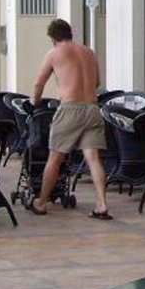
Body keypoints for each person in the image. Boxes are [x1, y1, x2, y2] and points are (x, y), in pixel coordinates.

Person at [30, 18, 110, 219]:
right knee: (93, 158)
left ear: (53, 38)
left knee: (55, 158)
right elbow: (97, 82)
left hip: (70, 109)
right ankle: (102, 204)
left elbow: (39, 83)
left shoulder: (54, 53)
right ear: (70, 33)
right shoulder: (89, 53)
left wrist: (34, 101)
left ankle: (41, 203)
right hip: (92, 108)